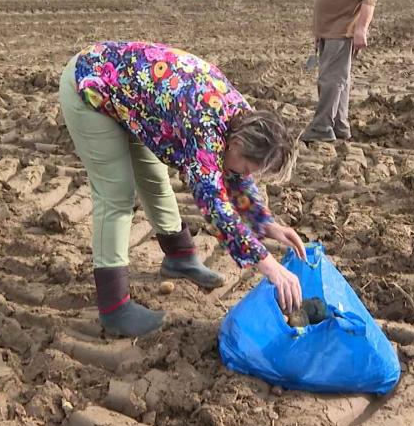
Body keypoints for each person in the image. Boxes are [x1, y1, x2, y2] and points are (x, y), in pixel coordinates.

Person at [58, 41, 306, 337]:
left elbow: (235, 173)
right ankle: (114, 308)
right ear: (237, 145)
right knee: (116, 194)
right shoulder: (205, 126)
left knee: (153, 176)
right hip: (90, 86)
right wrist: (267, 263)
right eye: (251, 169)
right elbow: (215, 206)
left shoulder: (244, 120)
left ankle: (179, 257)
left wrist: (265, 224)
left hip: (135, 100)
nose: (248, 176)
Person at [300, 0, 377, 143]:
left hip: (341, 34)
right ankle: (340, 126)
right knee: (339, 82)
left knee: (330, 81)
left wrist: (361, 29)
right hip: (330, 33)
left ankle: (322, 128)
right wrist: (319, 31)